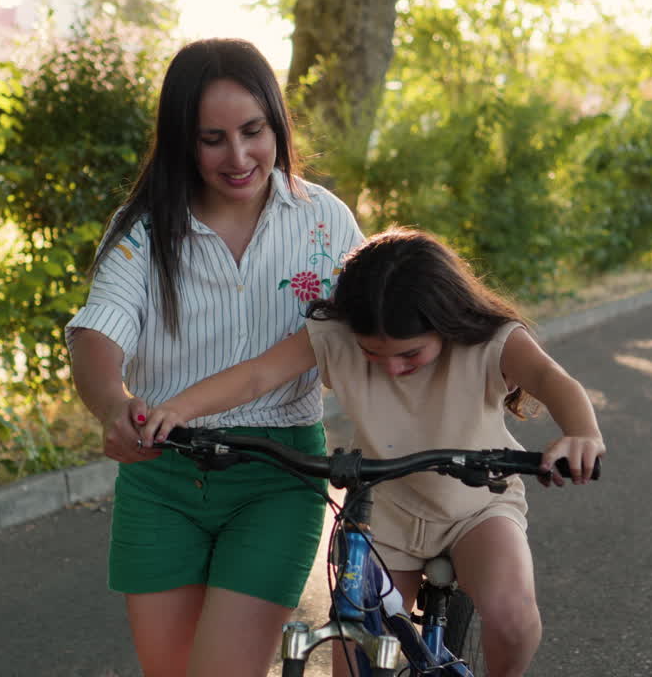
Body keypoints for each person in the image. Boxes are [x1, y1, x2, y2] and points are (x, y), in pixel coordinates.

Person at [139, 227, 607, 677]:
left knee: (511, 615)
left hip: (477, 505)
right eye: (371, 353)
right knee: (355, 655)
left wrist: (581, 432)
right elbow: (257, 375)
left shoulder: (488, 339)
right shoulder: (335, 333)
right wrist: (180, 409)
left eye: (410, 355)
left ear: (445, 322)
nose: (390, 367)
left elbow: (550, 379)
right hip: (382, 514)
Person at [65, 37, 364, 677]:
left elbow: (375, 330)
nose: (239, 156)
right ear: (182, 140)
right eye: (212, 139)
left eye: (253, 131)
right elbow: (97, 332)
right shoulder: (142, 229)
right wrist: (113, 405)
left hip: (277, 474)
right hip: (161, 477)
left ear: (277, 124)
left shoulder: (327, 224)